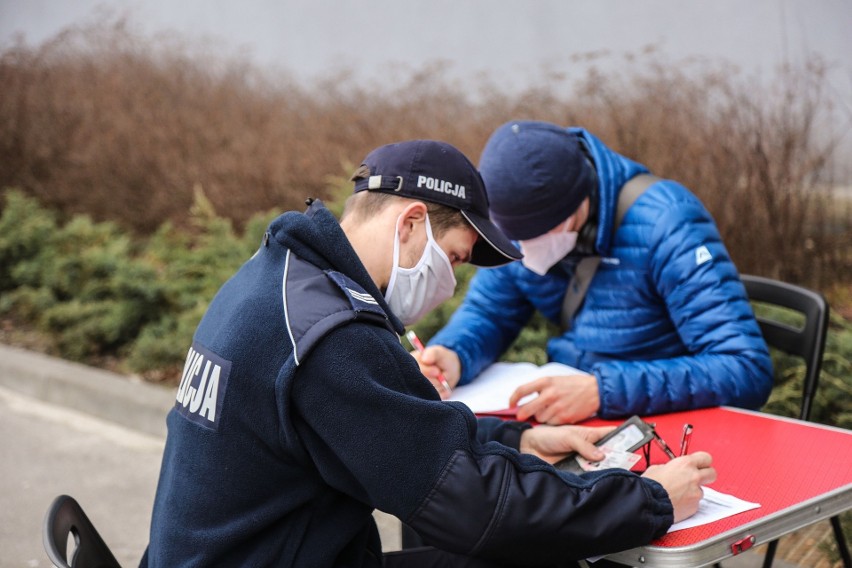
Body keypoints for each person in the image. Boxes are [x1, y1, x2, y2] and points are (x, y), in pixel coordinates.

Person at [141, 139, 716, 567]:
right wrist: (650, 499)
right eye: (457, 259)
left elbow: (404, 436)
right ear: (412, 222)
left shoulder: (278, 278)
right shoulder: (333, 337)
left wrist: (519, 439)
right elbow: (473, 505)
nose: (452, 281)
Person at [417, 120, 774, 425]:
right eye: (510, 238)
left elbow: (745, 368)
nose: (522, 251)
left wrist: (603, 391)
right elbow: (490, 311)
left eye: (533, 237)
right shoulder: (519, 220)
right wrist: (454, 353)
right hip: (578, 418)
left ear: (577, 206)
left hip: (662, 423)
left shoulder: (668, 224)